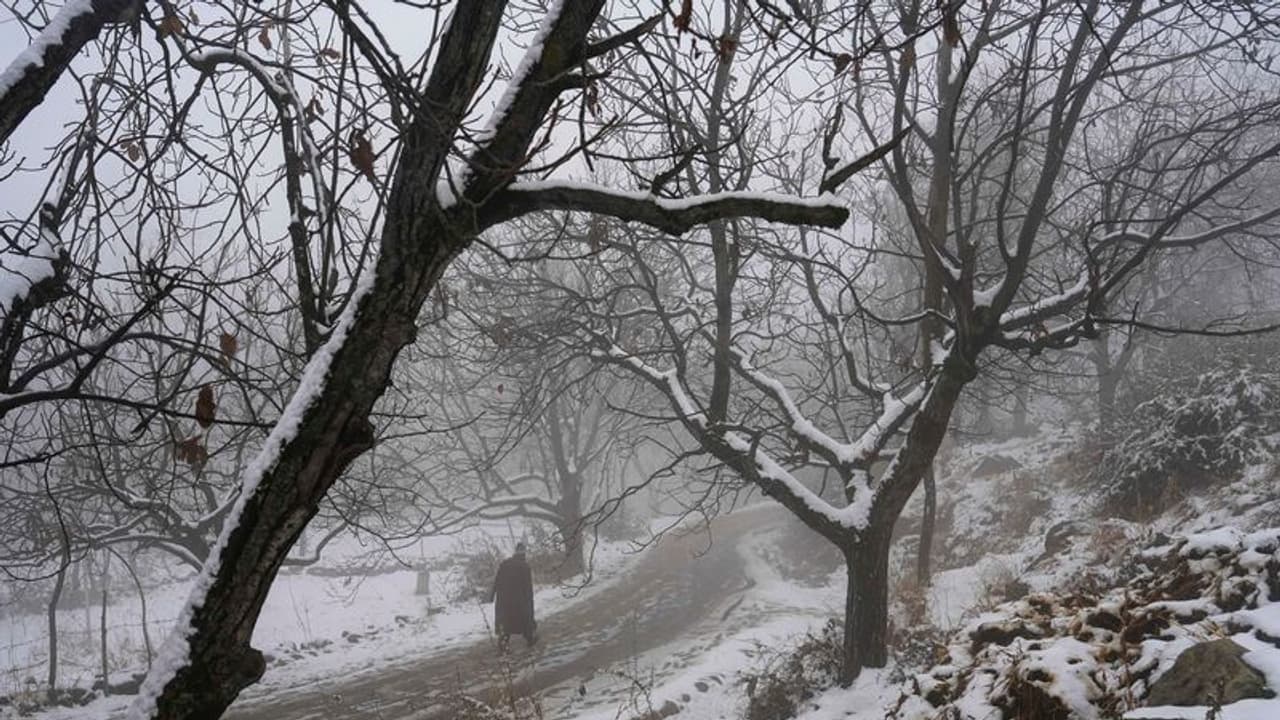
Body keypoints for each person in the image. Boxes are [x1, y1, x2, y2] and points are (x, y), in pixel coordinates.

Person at [488, 542, 537, 650]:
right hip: (519, 600)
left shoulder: (505, 564)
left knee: (506, 623)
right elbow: (528, 587)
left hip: (504, 600)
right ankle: (530, 640)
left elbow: (497, 580)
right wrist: (529, 600)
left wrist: (492, 595)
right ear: (524, 554)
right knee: (525, 618)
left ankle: (503, 645)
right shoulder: (525, 567)